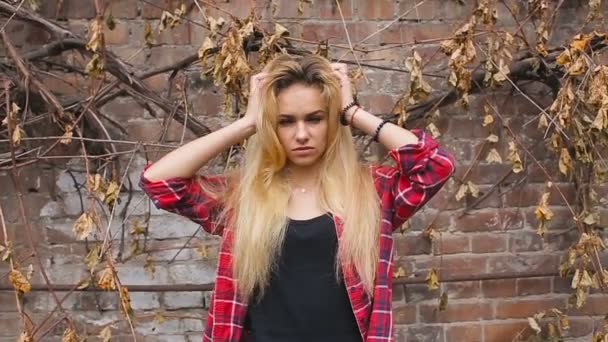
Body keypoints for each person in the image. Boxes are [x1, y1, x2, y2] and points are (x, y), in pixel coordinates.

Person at [140, 54, 455, 342]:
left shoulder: (371, 192)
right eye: (285, 121)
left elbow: (434, 166)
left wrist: (352, 112)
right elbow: (160, 183)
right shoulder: (243, 198)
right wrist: (248, 123)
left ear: (331, 122)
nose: (301, 134)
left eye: (315, 118)